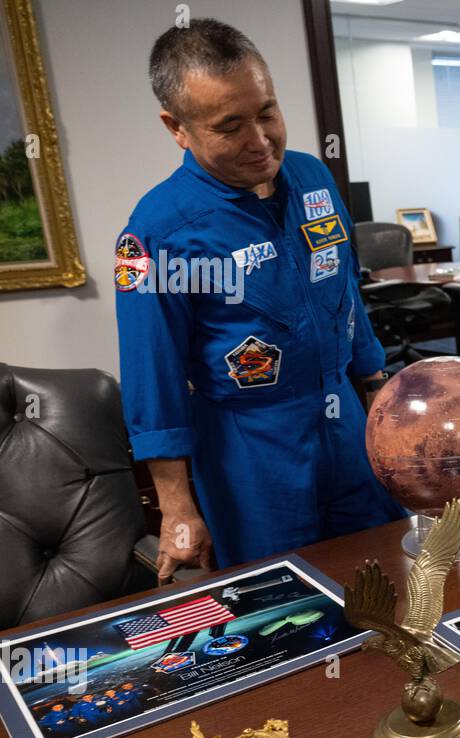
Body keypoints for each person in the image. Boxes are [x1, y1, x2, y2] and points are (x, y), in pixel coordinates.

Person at [115, 19, 404, 578]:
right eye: (230, 126)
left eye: (267, 112)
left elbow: (345, 291)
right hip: (251, 447)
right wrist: (177, 508)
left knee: (381, 572)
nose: (260, 140)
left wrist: (377, 396)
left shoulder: (314, 178)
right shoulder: (154, 234)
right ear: (177, 128)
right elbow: (154, 378)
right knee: (283, 600)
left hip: (343, 420)